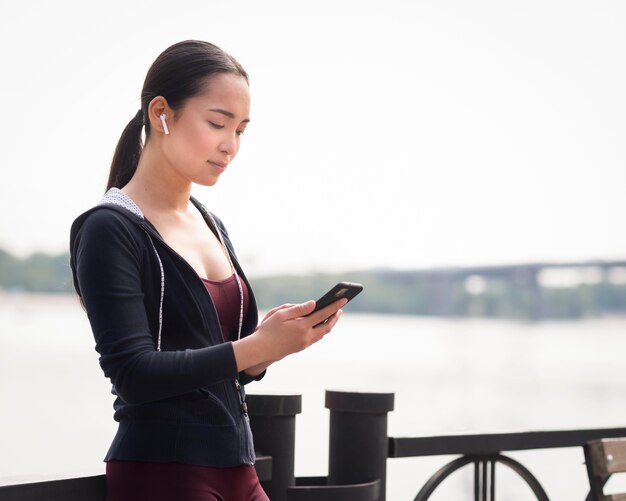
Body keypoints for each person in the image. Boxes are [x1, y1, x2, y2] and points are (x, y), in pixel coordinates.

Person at [69, 40, 346, 501]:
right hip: (165, 471)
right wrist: (250, 347)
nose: (231, 145)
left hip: (239, 465)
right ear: (161, 113)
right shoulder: (109, 228)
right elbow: (134, 375)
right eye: (218, 123)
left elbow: (212, 362)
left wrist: (265, 351)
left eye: (241, 130)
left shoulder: (210, 222)